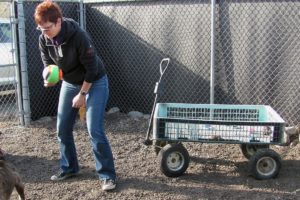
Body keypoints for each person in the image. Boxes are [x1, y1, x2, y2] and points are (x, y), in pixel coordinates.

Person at [34, 1, 117, 191]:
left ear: (59, 22)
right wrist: (50, 78)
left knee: (94, 129)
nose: (44, 32)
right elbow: (48, 64)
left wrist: (82, 95)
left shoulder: (78, 36)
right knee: (62, 128)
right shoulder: (43, 38)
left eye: (47, 28)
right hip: (70, 82)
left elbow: (92, 68)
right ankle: (70, 168)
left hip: (94, 81)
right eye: (41, 28)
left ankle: (107, 175)